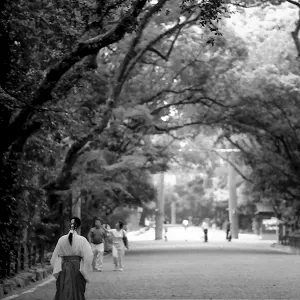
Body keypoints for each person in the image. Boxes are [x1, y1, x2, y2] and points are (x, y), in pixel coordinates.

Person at [50, 216, 93, 300]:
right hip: (78, 267)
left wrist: (57, 268)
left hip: (64, 267)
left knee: (63, 289)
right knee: (78, 290)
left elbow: (54, 257)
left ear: (69, 225)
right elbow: (89, 256)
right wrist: (85, 269)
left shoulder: (62, 239)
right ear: (79, 226)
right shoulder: (82, 240)